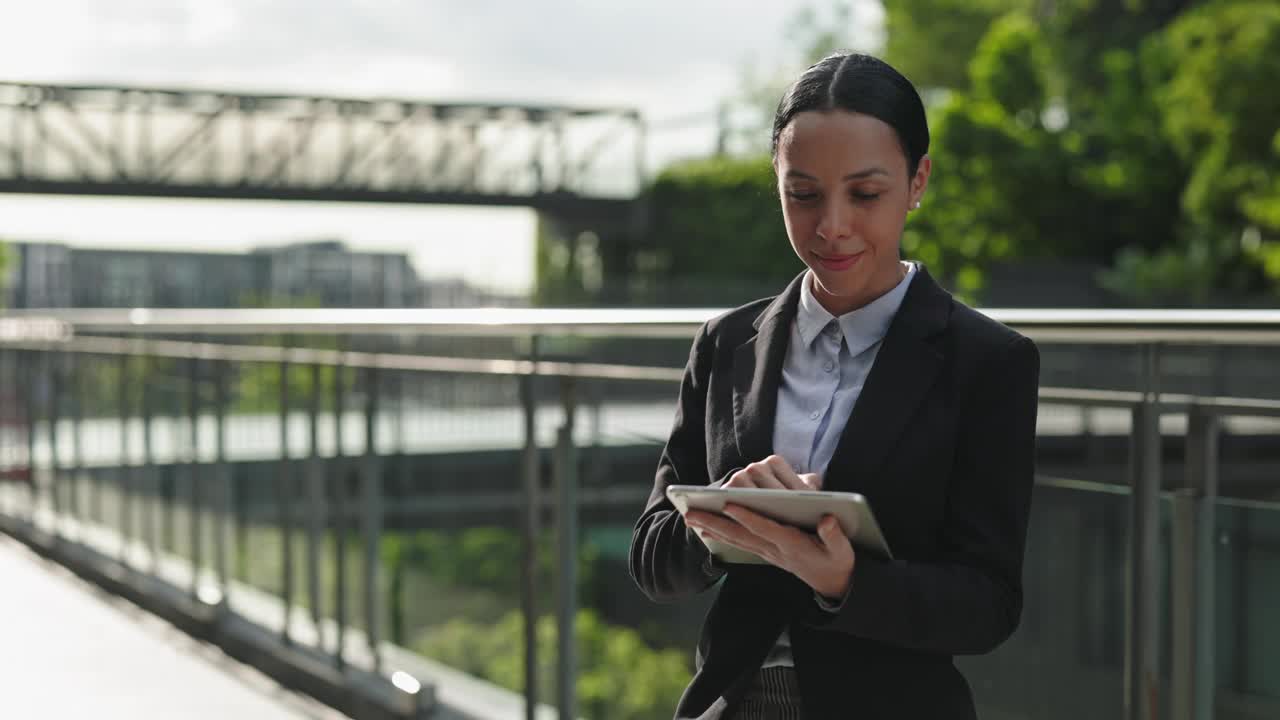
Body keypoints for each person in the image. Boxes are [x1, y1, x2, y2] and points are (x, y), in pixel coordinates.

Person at [628, 52, 1041, 720]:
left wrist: (844, 580)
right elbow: (651, 561)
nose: (832, 226)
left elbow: (988, 605)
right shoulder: (727, 343)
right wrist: (716, 521)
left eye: (866, 194)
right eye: (804, 194)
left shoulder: (989, 362)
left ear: (917, 183)